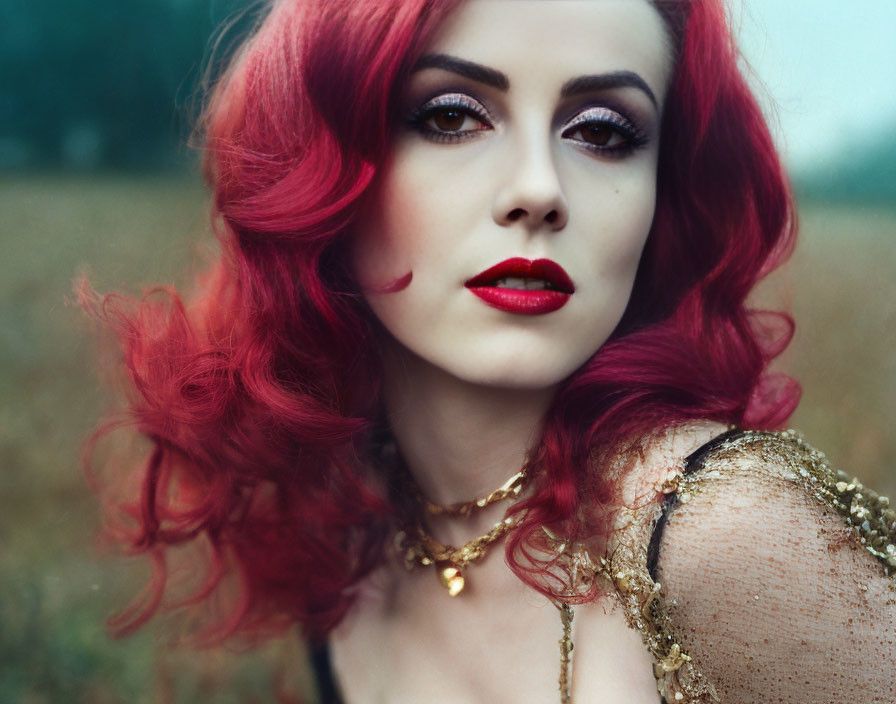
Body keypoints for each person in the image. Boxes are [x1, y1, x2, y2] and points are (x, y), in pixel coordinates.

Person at [84, 0, 896, 702]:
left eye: (603, 132)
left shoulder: (721, 530)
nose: (538, 189)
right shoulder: (347, 515)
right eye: (449, 116)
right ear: (318, 165)